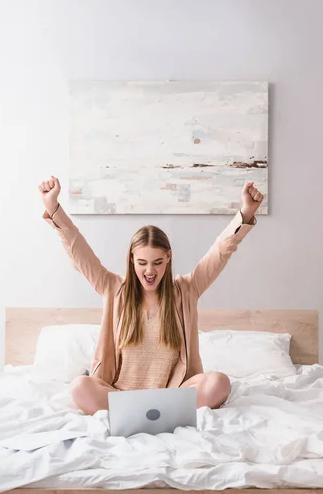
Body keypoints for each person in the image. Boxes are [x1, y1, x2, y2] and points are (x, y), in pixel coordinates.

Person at [39, 175, 264, 415]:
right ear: (132, 260)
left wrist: (246, 212)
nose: (149, 271)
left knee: (218, 382)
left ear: (168, 257)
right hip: (119, 396)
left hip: (170, 396)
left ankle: (153, 414)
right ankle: (144, 415)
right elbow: (78, 251)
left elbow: (220, 252)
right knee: (80, 386)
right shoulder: (113, 288)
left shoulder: (186, 290)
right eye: (142, 262)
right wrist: (53, 207)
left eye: (157, 262)